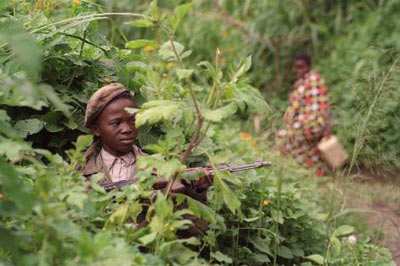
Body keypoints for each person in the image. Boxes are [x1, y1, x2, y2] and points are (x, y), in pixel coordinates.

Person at [80, 83, 209, 234]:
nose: (127, 129)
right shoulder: (78, 171)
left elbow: (198, 230)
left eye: (132, 121)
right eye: (116, 123)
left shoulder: (160, 169)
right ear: (96, 129)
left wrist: (190, 193)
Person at [276, 53, 331, 176]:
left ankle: (293, 172)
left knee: (283, 138)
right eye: (296, 67)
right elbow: (325, 105)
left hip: (310, 125)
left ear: (308, 66)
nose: (298, 70)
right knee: (309, 148)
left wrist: (327, 128)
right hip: (314, 125)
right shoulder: (312, 80)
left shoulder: (310, 81)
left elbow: (324, 105)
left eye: (301, 67)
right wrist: (327, 127)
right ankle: (316, 173)